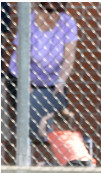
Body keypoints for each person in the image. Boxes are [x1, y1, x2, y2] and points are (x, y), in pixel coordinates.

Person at [6, 2, 78, 163]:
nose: (54, 16)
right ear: (39, 9)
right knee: (27, 124)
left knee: (54, 126)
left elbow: (69, 56)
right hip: (22, 76)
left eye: (58, 11)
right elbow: (20, 57)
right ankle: (24, 162)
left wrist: (61, 81)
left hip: (53, 80)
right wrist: (25, 82)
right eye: (50, 11)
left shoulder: (68, 22)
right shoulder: (29, 22)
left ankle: (57, 163)